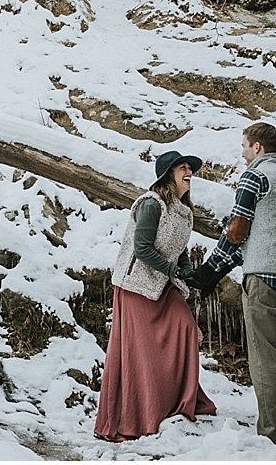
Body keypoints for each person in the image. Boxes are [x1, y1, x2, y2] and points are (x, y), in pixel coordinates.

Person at [187, 122, 276, 451]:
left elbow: (237, 232)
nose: (243, 152)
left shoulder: (255, 176)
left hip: (266, 280)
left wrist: (209, 272)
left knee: (266, 358)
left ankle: (272, 440)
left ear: (258, 148)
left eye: (245, 146)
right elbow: (262, 233)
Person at [94, 150, 217, 442]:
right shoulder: (151, 204)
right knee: (139, 354)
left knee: (186, 328)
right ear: (168, 175)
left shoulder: (183, 211)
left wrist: (189, 272)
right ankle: (126, 422)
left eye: (191, 168)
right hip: (136, 285)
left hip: (162, 284)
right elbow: (142, 249)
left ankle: (174, 403)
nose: (190, 172)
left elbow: (179, 248)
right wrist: (175, 270)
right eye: (183, 168)